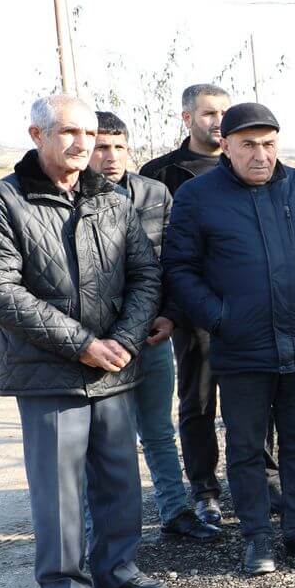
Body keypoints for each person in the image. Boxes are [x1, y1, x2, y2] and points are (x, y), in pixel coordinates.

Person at [0, 95, 166, 588]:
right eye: (68, 131)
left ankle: (117, 567)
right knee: (58, 484)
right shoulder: (2, 201)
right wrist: (82, 344)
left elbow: (145, 274)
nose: (82, 143)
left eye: (88, 132)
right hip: (48, 370)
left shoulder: (112, 199)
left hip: (114, 364)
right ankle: (64, 584)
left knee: (118, 475)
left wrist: (126, 340)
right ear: (37, 134)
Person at [164, 103, 295, 575]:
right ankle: (257, 537)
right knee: (246, 447)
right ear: (225, 144)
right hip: (241, 346)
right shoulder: (198, 196)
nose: (260, 155)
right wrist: (218, 317)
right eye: (248, 145)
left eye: (268, 143)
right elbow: (180, 267)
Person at [140, 82, 278, 527]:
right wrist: (173, 308)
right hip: (193, 307)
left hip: (252, 306)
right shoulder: (162, 173)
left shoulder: (256, 168)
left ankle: (264, 476)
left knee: (261, 393)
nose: (217, 121)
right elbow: (160, 252)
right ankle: (205, 489)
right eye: (207, 114)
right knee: (198, 399)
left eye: (223, 113)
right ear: (187, 119)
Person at [87, 111, 219, 541]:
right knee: (106, 441)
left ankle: (175, 512)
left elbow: (175, 262)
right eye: (101, 147)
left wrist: (170, 315)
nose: (111, 157)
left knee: (159, 430)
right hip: (98, 342)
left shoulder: (154, 192)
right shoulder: (73, 199)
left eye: (119, 147)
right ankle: (100, 528)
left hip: (152, 334)